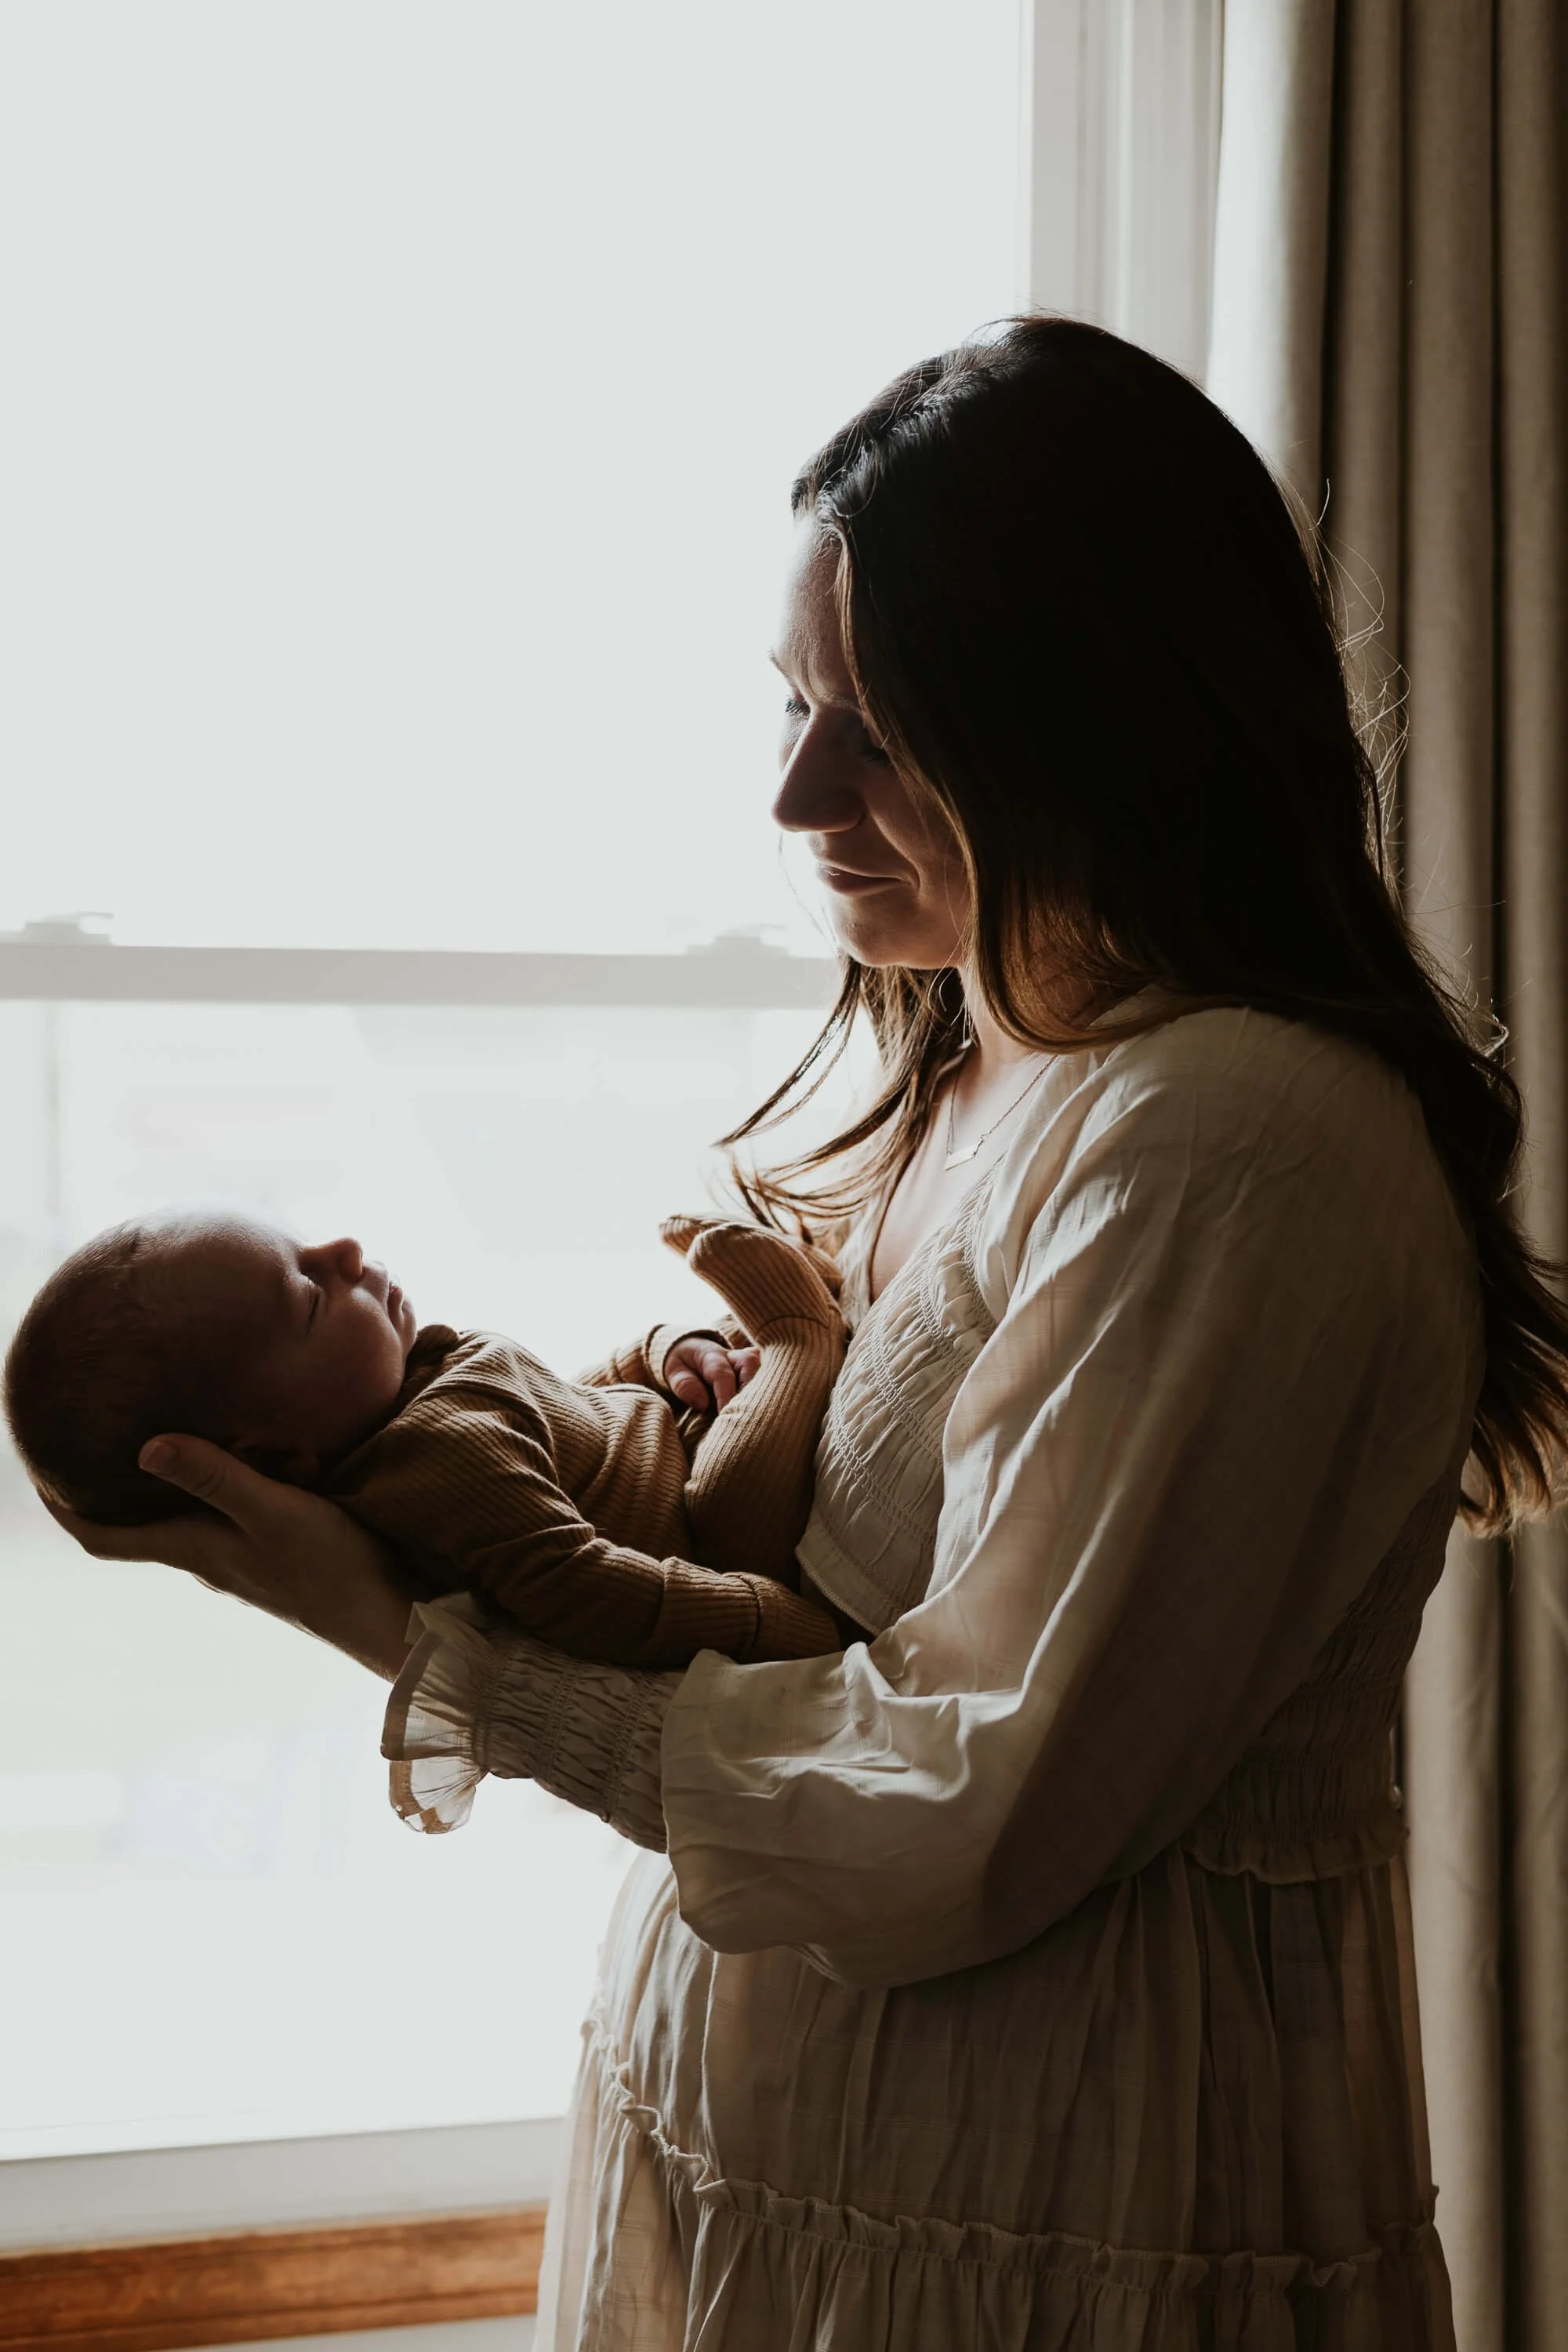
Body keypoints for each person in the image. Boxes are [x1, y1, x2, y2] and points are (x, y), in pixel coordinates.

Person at [53, 318, 1568, 2350]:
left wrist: (436, 1657)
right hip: (804, 2183)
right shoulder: (984, 1041)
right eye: (787, 707)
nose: (791, 793)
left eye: (879, 727)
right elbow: (821, 1589)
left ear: (1105, 727)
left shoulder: (1237, 1142)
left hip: (1049, 2209)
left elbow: (970, 1793)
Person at [8, 1207, 847, 1674]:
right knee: (767, 1388)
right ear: (272, 1457)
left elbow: (572, 1405)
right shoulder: (434, 1468)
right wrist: (763, 1621)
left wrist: (664, 1353)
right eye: (307, 1295)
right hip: (713, 1535)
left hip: (675, 1449)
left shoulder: (427, 1384)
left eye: (307, 1245)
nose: (343, 1251)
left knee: (723, 1382)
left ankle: (761, 1346)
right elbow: (585, 1590)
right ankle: (800, 1329)